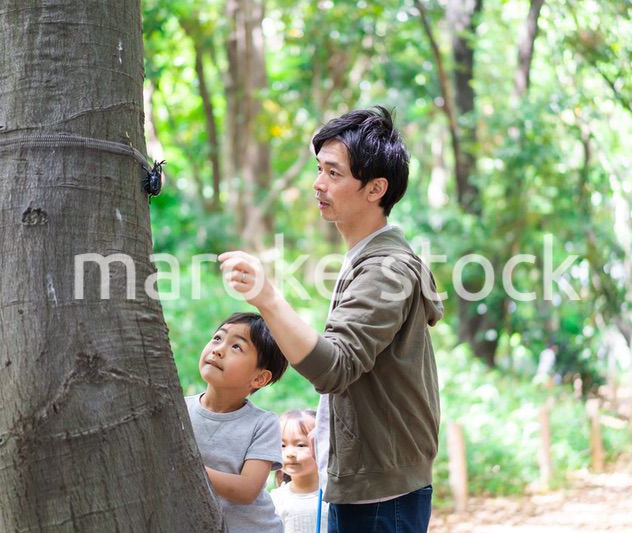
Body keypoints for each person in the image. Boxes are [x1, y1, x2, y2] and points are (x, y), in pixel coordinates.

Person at [219, 106, 444, 532]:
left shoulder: (385, 270)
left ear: (376, 188)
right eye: (319, 169)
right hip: (366, 485)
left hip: (382, 495)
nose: (318, 184)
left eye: (334, 174)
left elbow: (334, 368)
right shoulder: (364, 259)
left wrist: (267, 297)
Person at [185, 312, 289, 533]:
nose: (219, 349)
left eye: (236, 347)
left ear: (260, 378)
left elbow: (247, 489)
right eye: (217, 338)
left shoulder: (262, 423)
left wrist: (186, 469)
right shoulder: (180, 410)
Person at [271, 409, 329, 533]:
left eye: (301, 445)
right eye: (282, 445)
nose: (290, 453)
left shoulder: (333, 496)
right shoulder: (275, 500)